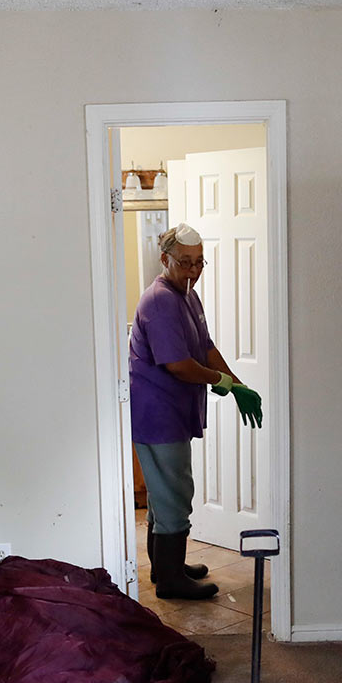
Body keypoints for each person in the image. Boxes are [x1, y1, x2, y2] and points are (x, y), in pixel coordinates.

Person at [128, 223, 263, 600]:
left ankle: (164, 568)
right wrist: (223, 382)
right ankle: (171, 582)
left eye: (199, 263)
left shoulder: (186, 295)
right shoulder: (159, 301)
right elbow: (179, 365)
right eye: (185, 263)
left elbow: (205, 348)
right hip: (157, 414)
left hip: (172, 412)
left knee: (164, 493)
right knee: (174, 493)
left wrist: (237, 384)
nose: (193, 270)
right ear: (165, 259)